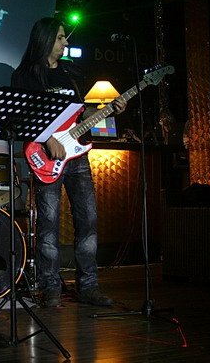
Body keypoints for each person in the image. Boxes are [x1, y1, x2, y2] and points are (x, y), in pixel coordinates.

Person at [10, 17, 127, 307]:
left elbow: (81, 114)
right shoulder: (24, 75)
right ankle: (50, 287)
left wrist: (108, 110)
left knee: (88, 220)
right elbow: (21, 119)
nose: (66, 42)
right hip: (46, 155)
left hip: (78, 156)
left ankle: (89, 286)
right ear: (46, 39)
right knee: (48, 223)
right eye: (61, 37)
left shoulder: (70, 73)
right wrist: (48, 138)